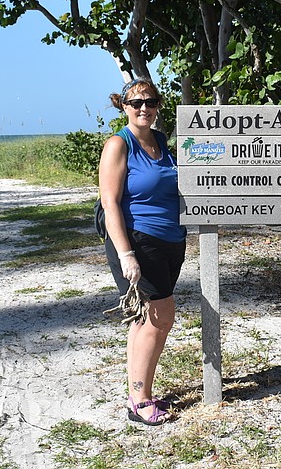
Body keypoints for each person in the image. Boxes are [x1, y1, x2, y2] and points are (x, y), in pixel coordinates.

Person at [98, 78, 187, 426]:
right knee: (161, 315)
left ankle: (137, 391)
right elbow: (110, 204)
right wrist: (125, 254)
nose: (143, 109)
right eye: (136, 103)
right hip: (137, 240)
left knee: (144, 319)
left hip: (170, 240)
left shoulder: (161, 142)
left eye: (150, 102)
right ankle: (140, 401)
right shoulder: (119, 145)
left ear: (158, 105)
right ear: (124, 107)